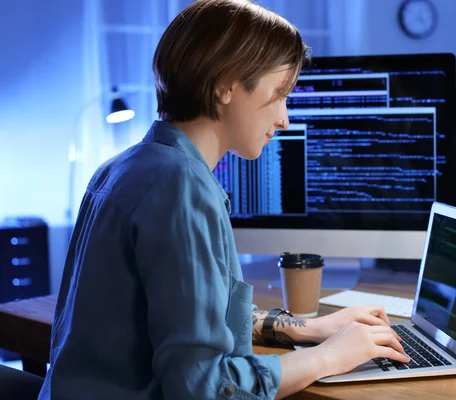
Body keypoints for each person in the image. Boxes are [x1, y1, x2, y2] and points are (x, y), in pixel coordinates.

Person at [38, 1, 409, 399]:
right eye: (280, 93)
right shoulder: (181, 189)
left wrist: (309, 329)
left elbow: (191, 311)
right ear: (227, 86)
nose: (285, 118)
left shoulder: (123, 168)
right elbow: (206, 387)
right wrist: (330, 357)